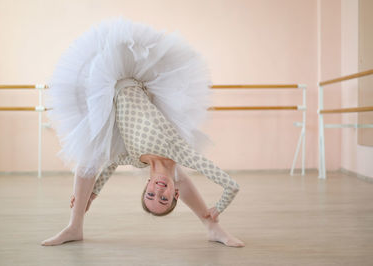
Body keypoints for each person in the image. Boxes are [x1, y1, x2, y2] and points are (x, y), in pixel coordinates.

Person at [41, 17, 244, 247]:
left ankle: (74, 226)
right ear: (174, 194)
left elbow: (110, 165)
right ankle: (213, 227)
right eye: (164, 198)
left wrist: (93, 194)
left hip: (106, 101)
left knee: (88, 158)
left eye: (151, 195)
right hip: (130, 78)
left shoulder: (136, 161)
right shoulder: (182, 154)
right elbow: (231, 185)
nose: (157, 192)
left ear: (145, 187)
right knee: (177, 174)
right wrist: (217, 209)